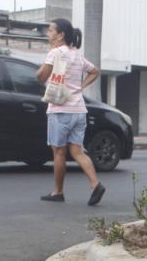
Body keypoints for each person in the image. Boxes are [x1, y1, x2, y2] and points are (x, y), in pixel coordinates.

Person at [35, 19, 105, 205]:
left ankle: (58, 192)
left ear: (61, 35)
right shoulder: (77, 54)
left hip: (60, 110)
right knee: (77, 151)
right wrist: (80, 86)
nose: (48, 34)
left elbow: (41, 76)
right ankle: (95, 184)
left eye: (50, 30)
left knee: (59, 152)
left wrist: (40, 70)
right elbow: (95, 71)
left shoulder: (55, 53)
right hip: (79, 109)